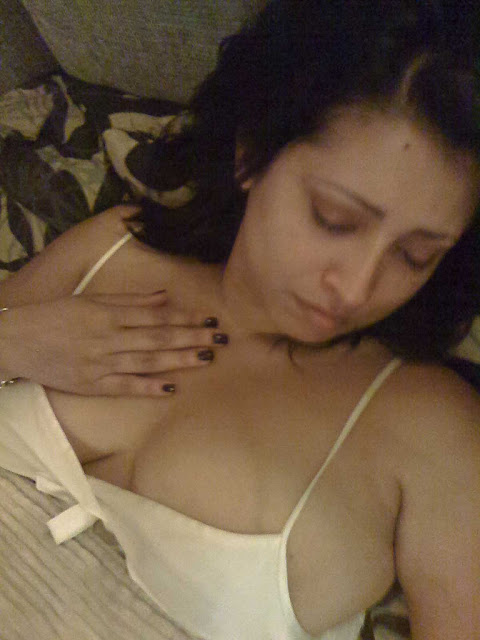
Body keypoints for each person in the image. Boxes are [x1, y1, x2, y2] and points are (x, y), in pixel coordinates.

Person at [0, 1, 479, 638]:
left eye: (416, 255)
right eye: (334, 219)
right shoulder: (116, 247)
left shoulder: (432, 425)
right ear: (251, 154)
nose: (358, 286)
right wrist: (10, 339)